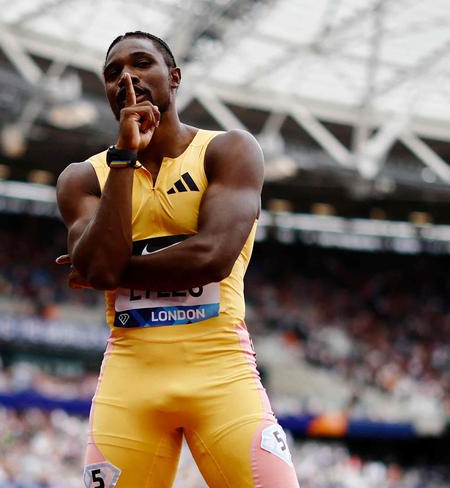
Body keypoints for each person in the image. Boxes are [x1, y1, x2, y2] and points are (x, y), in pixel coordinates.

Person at [56, 31, 300, 488]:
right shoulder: (83, 178)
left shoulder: (228, 151)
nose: (127, 77)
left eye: (141, 64)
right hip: (130, 383)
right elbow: (101, 267)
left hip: (222, 374)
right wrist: (125, 156)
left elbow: (211, 257)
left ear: (174, 77)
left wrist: (105, 270)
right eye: (113, 73)